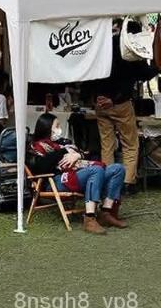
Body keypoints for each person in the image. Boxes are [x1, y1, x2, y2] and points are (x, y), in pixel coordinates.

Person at [30, 113, 127, 234]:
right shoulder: (37, 146)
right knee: (96, 170)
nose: (60, 129)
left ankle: (106, 213)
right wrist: (63, 152)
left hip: (79, 174)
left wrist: (77, 155)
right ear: (47, 128)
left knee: (118, 169)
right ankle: (89, 218)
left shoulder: (63, 142)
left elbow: (85, 153)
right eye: (57, 126)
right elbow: (40, 167)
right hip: (56, 181)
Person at [95, 18, 158, 194]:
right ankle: (127, 182)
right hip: (120, 102)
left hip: (100, 102)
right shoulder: (130, 48)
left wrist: (97, 97)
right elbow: (144, 74)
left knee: (107, 144)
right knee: (130, 143)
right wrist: (156, 66)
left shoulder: (104, 45)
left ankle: (107, 180)